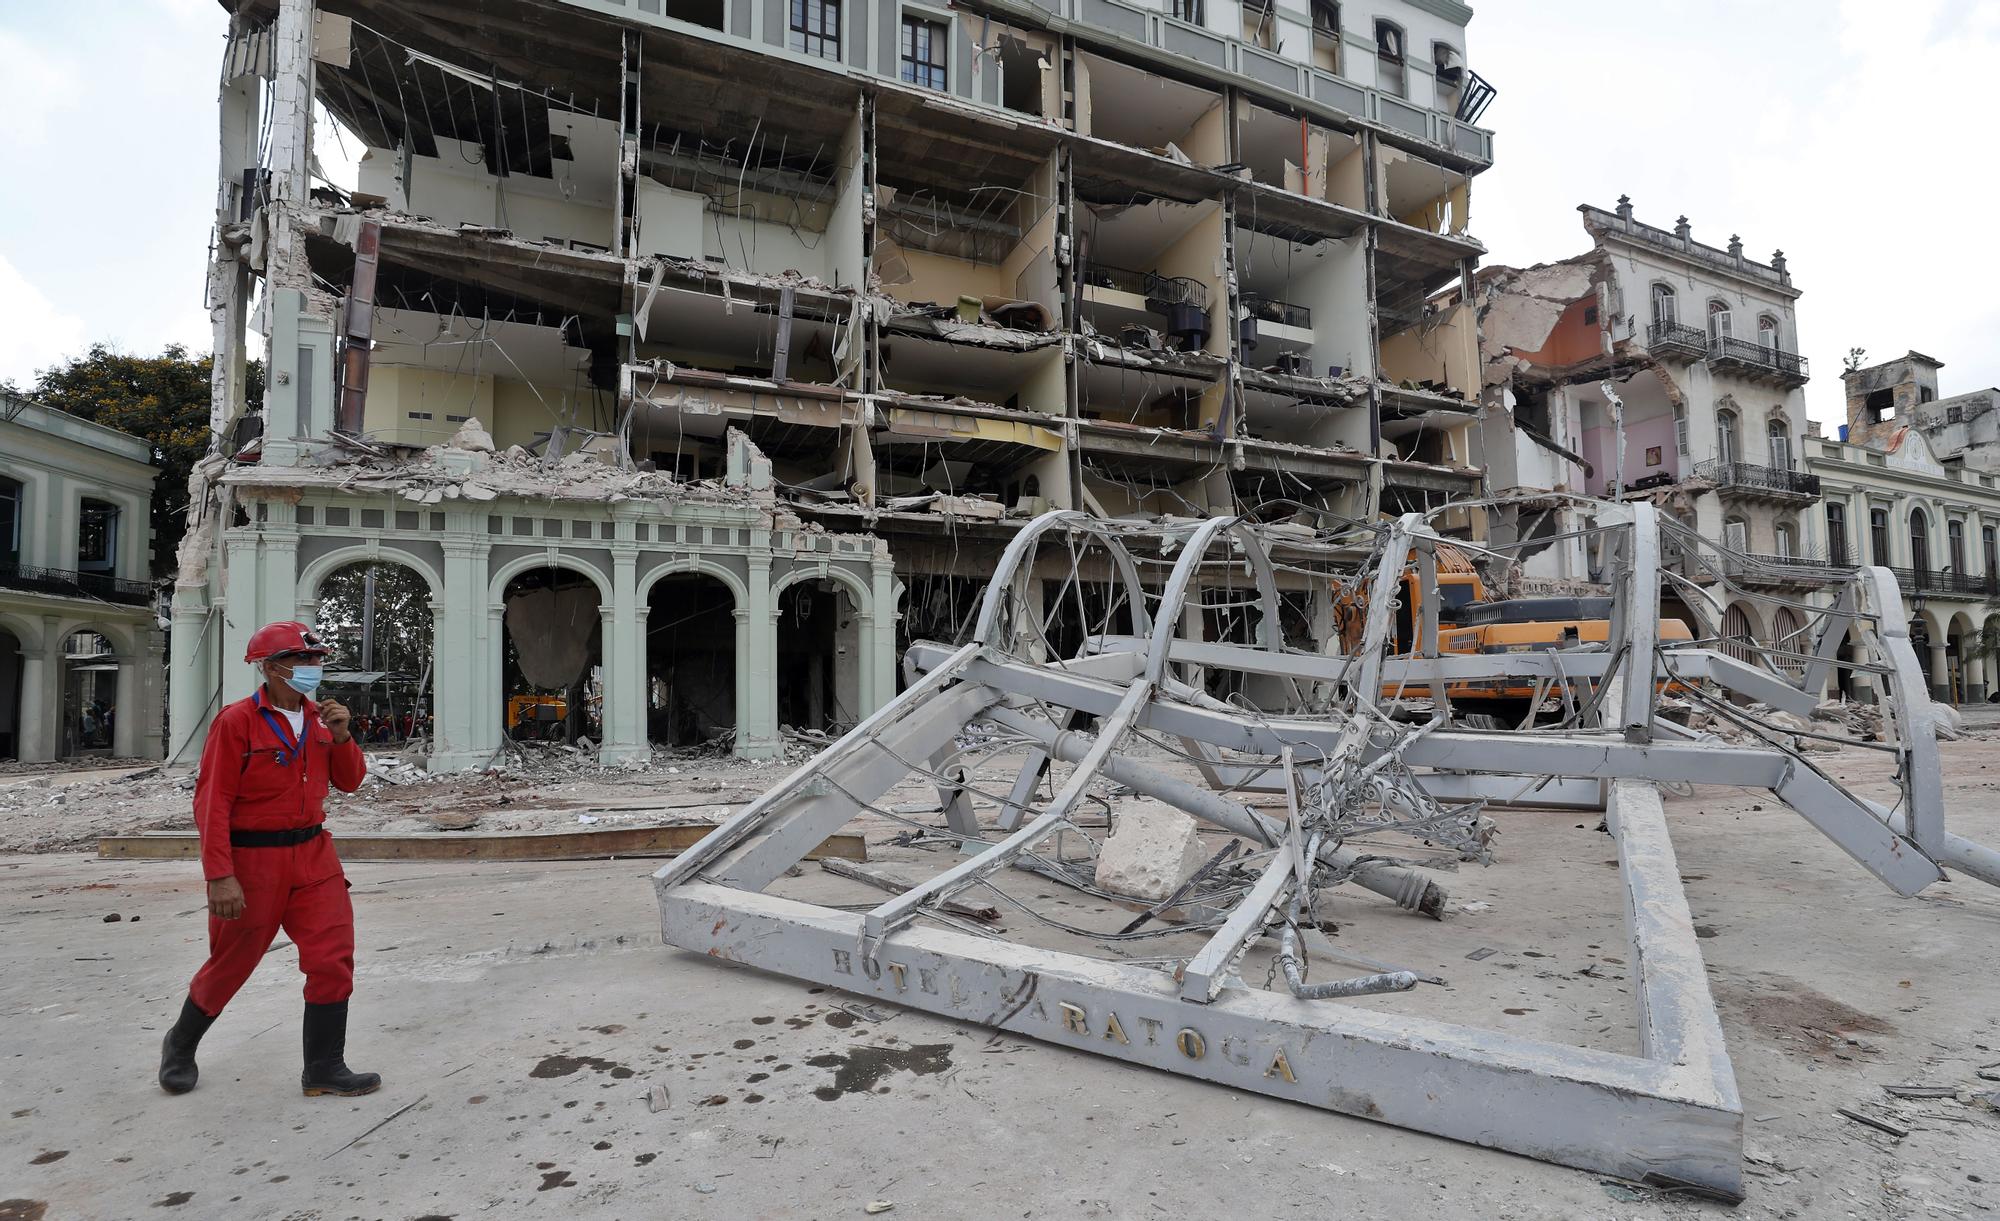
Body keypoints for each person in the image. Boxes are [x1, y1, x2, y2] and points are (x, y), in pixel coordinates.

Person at [156, 621, 381, 1099]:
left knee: (332, 957)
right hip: (253, 862)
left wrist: (342, 737)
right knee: (232, 962)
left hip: (314, 856)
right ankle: (179, 1044)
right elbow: (212, 803)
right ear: (271, 667)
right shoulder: (236, 722)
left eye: (317, 659)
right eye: (304, 660)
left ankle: (324, 1067)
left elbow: (350, 782)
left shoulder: (323, 720)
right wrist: (220, 876)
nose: (314, 667)